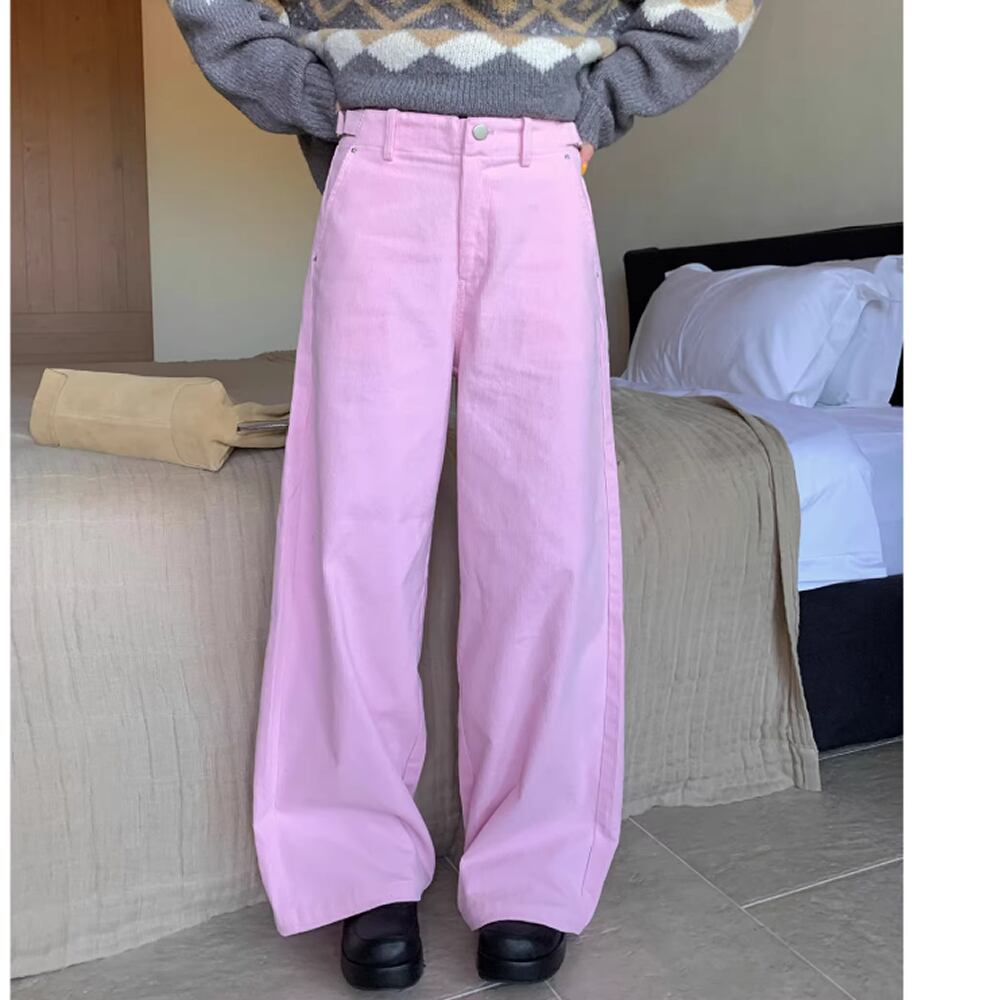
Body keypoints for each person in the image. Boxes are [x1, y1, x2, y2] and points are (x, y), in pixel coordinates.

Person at [171, 0, 761, 989]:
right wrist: (314, 94)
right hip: (379, 162)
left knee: (546, 541)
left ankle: (532, 868)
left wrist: (598, 103)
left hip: (538, 169)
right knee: (351, 539)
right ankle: (358, 865)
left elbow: (712, 11)